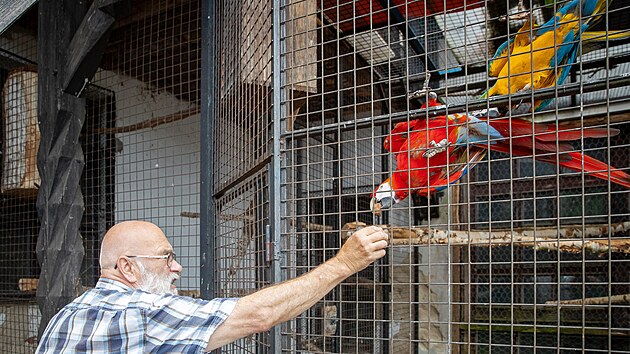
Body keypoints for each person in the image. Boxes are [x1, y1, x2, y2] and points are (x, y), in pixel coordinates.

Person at [36, 220, 388, 353]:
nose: (177, 267)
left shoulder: (65, 315)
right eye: (166, 257)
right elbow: (259, 315)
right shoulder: (141, 313)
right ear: (128, 267)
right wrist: (345, 263)